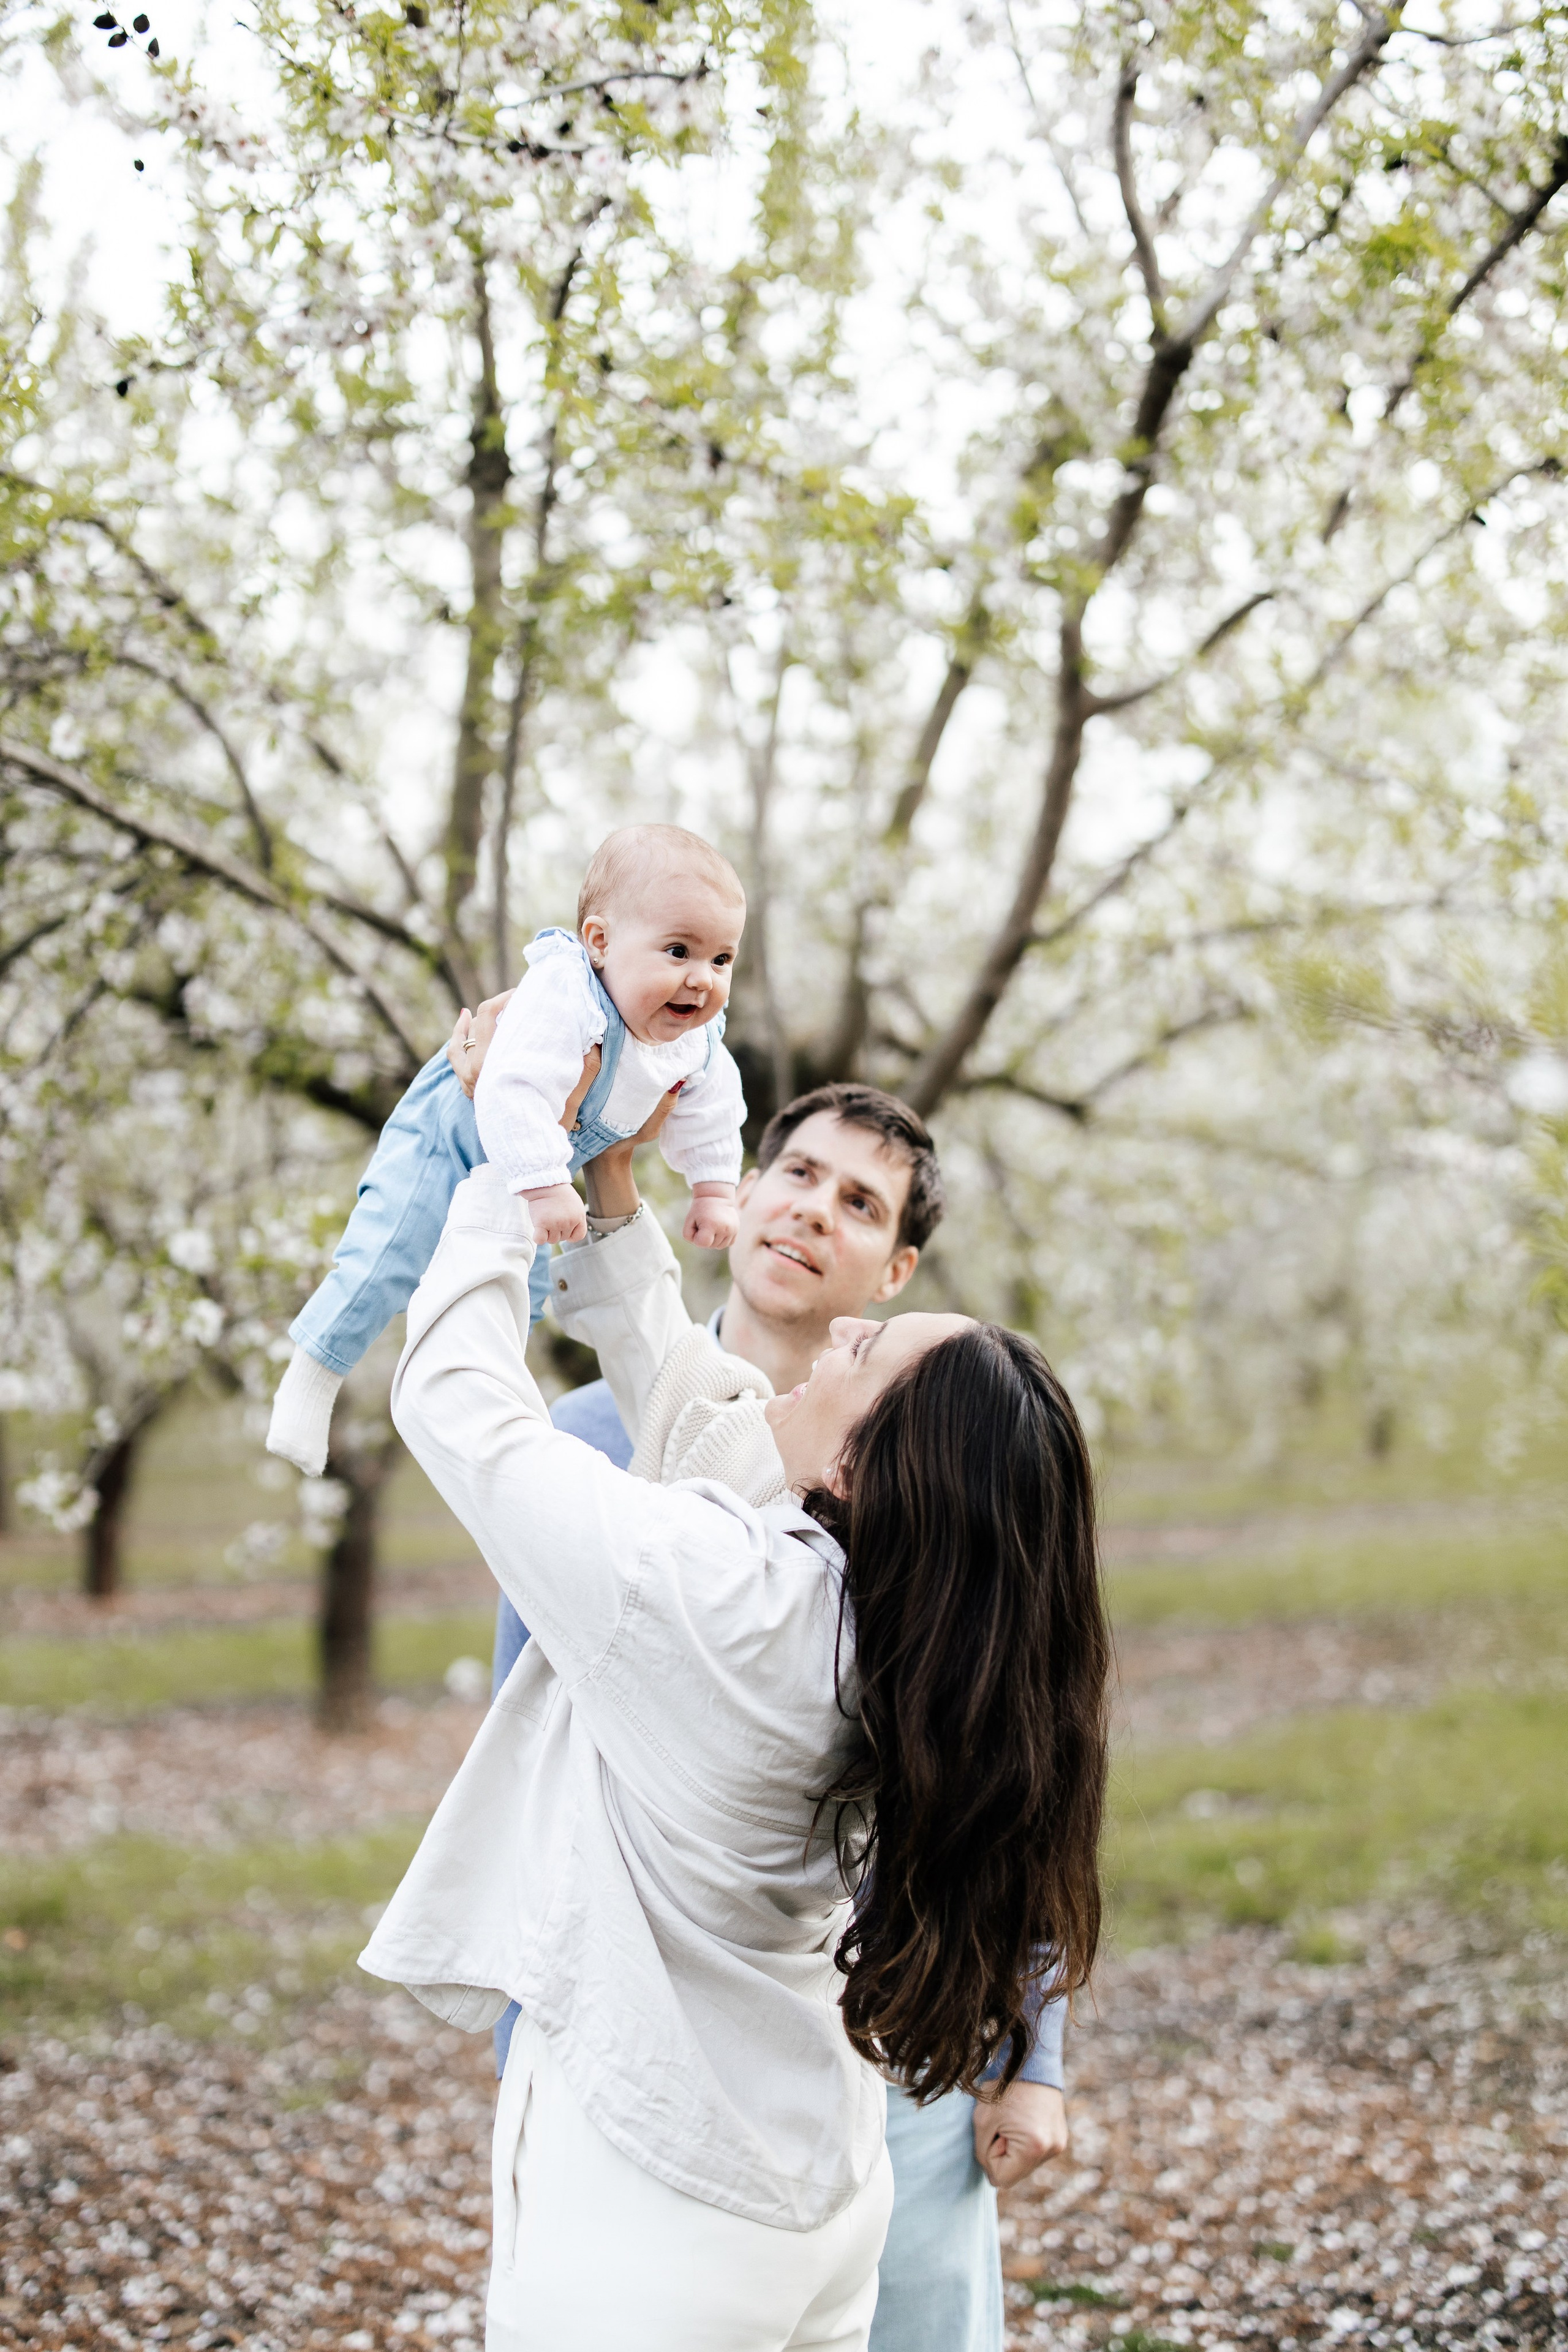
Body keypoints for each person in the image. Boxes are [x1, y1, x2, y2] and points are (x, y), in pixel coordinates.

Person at [358, 1093, 1111, 2351]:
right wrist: (602, 1195)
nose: (840, 1340)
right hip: (817, 2190)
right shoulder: (895, 1615)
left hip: (660, 2218)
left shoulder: (720, 1598)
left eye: (866, 1353)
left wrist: (501, 1175)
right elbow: (697, 1406)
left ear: (862, 1471)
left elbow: (455, 1407)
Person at [265, 823, 747, 1478]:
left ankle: (477, 1415)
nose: (702, 981)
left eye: (721, 960)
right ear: (599, 943)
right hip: (453, 1136)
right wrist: (547, 1183)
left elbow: (714, 1104)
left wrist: (713, 1184)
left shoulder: (694, 1036)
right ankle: (314, 1372)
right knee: (389, 1250)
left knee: (521, 1294)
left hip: (539, 1169)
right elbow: (513, 1086)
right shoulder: (568, 992)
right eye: (678, 951)